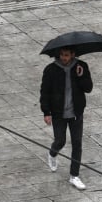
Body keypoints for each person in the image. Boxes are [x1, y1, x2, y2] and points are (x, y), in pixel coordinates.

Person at [40, 46, 93, 190]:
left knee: (77, 143)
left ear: (73, 55)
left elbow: (88, 88)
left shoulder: (81, 66)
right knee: (60, 140)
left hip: (76, 113)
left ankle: (74, 176)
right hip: (58, 114)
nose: (64, 58)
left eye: (67, 55)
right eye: (62, 55)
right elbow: (44, 92)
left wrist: (81, 76)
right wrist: (46, 112)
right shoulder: (51, 70)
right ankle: (52, 153)